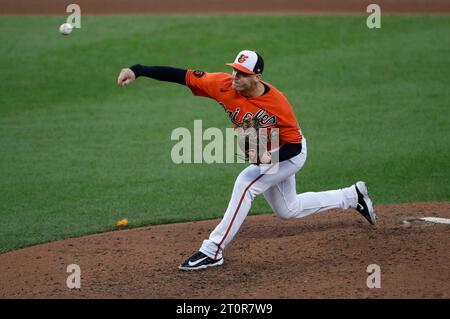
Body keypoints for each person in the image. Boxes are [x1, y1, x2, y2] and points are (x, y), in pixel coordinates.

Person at [117, 50, 376, 271]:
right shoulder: (221, 84)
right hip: (268, 152)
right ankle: (352, 196)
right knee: (289, 210)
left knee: (246, 183)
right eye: (234, 71)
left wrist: (266, 159)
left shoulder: (277, 103)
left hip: (288, 154)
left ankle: (212, 250)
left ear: (257, 77)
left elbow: (295, 147)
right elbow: (180, 75)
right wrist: (138, 70)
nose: (235, 77)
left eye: (241, 73)